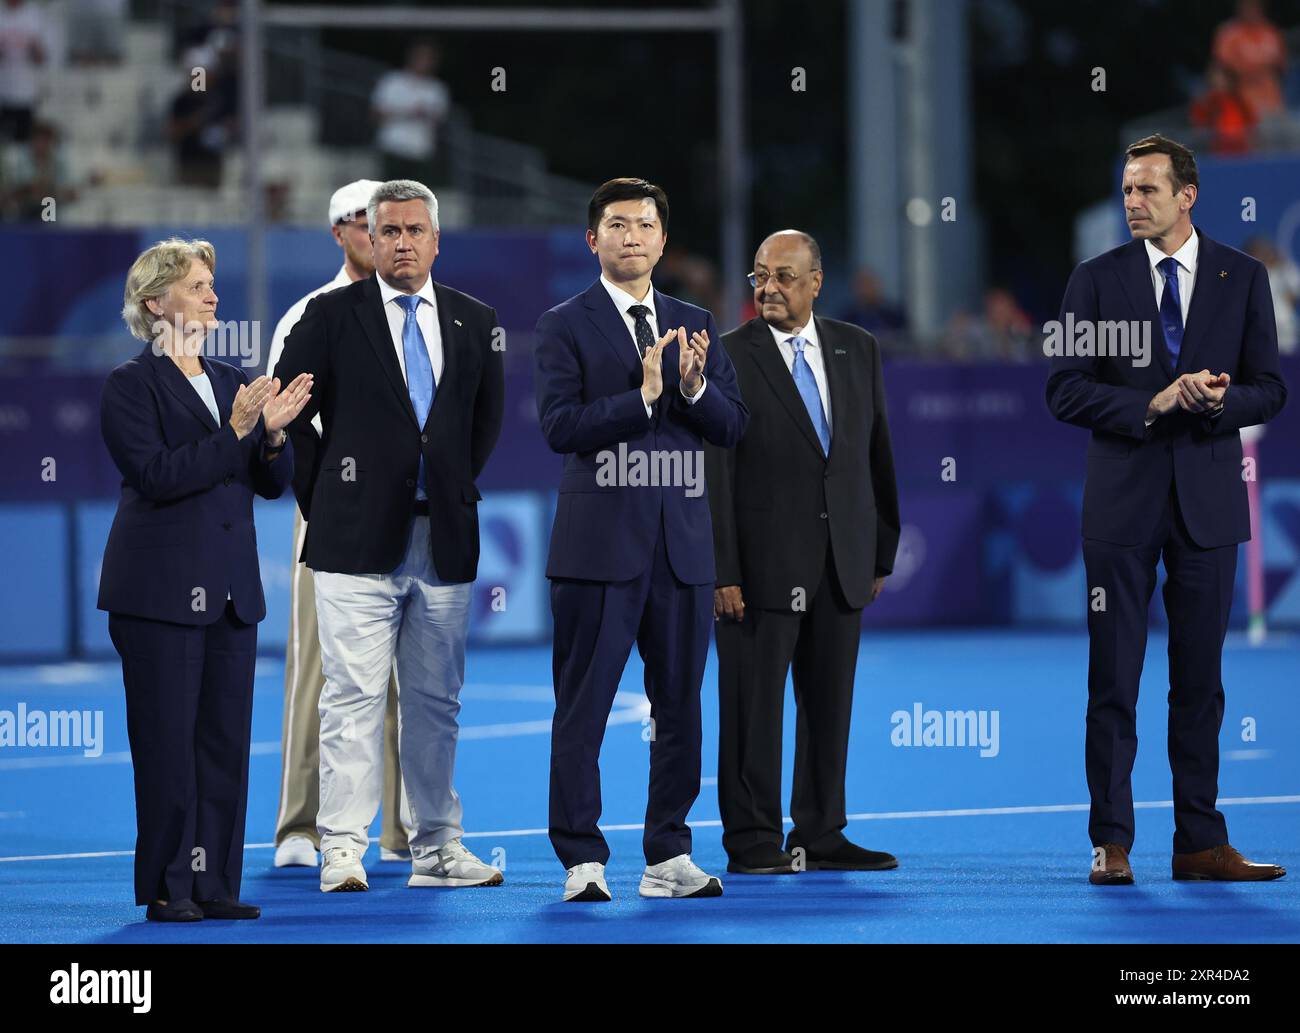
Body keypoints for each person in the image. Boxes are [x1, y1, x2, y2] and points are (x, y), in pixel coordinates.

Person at [1046, 134, 1287, 885]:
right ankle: (1112, 841)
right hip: (1122, 504)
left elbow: (1270, 388)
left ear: (1188, 195)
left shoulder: (1242, 276)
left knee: (1201, 682)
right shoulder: (1093, 280)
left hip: (1209, 505)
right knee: (1113, 677)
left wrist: (1218, 402)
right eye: (1126, 189)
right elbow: (1064, 388)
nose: (1133, 202)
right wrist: (1153, 399)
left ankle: (1199, 841)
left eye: (1148, 189)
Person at [274, 179, 505, 893]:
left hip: (442, 541)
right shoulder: (328, 315)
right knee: (351, 697)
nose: (403, 242)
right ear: (368, 241)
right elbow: (293, 413)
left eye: (415, 230)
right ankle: (343, 848)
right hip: (352, 545)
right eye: (390, 231)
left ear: (437, 241)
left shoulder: (474, 319)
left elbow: (482, 424)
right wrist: (327, 499)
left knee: (438, 703)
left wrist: (449, 484)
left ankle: (436, 847)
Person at [534, 177, 748, 902]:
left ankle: (668, 853)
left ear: (663, 239)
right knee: (583, 705)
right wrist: (645, 398)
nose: (632, 236)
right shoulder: (564, 323)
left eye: (645, 225)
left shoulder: (696, 321)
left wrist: (690, 390)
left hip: (682, 549)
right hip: (597, 548)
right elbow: (560, 426)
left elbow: (732, 426)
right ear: (593, 240)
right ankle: (582, 857)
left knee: (681, 707)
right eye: (617, 225)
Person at [99, 238, 312, 921]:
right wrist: (236, 431)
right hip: (158, 595)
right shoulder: (129, 386)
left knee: (223, 743)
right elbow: (159, 476)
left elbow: (271, 484)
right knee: (167, 745)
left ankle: (214, 882)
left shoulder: (230, 378)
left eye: (213, 285)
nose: (213, 296)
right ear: (155, 302)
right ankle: (168, 885)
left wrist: (273, 437)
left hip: (229, 594)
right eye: (197, 285)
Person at [706, 230, 900, 876]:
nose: (769, 288)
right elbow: (716, 472)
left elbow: (875, 453)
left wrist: (879, 549)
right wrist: (721, 568)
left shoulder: (856, 347)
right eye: (760, 276)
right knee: (751, 708)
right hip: (758, 569)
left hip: (841, 559)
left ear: (817, 282)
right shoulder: (727, 356)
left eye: (785, 277)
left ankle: (820, 829)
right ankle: (752, 837)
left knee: (829, 704)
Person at [265, 180, 414, 869]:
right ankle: (302, 824)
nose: (379, 234)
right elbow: (287, 421)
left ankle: (406, 828)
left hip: (406, 512)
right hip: (327, 510)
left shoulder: (422, 309)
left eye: (388, 224)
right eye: (364, 223)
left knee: (410, 674)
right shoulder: (310, 312)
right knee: (318, 670)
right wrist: (320, 499)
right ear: (340, 233)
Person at [371, 39, 451, 187]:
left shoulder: (436, 89)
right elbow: (377, 113)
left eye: (429, 58)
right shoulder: (392, 81)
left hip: (420, 151)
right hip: (393, 147)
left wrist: (425, 115)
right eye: (421, 57)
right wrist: (406, 112)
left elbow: (439, 119)